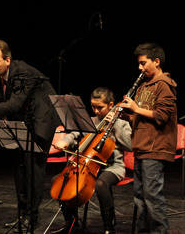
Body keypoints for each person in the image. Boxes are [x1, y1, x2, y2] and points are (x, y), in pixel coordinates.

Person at [0, 39, 60, 231]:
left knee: (33, 170)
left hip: (42, 122)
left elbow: (15, 103)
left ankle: (32, 218)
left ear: (8, 60)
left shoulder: (22, 72)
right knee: (20, 168)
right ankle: (23, 215)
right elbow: (4, 99)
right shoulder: (4, 74)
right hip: (26, 121)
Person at [52, 87, 132, 234]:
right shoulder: (90, 121)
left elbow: (130, 145)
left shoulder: (122, 124)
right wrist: (65, 141)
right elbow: (74, 134)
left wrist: (115, 125)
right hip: (87, 165)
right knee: (60, 181)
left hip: (112, 167)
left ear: (110, 105)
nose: (95, 111)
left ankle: (109, 227)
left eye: (100, 107)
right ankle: (72, 222)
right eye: (93, 107)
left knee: (101, 184)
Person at [120, 43, 177, 234]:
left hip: (155, 147)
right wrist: (124, 115)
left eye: (143, 63)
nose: (140, 68)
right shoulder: (144, 85)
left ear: (157, 61)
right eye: (139, 64)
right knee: (139, 196)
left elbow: (161, 116)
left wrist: (136, 109)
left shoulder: (164, 85)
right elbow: (141, 118)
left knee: (152, 196)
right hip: (142, 146)